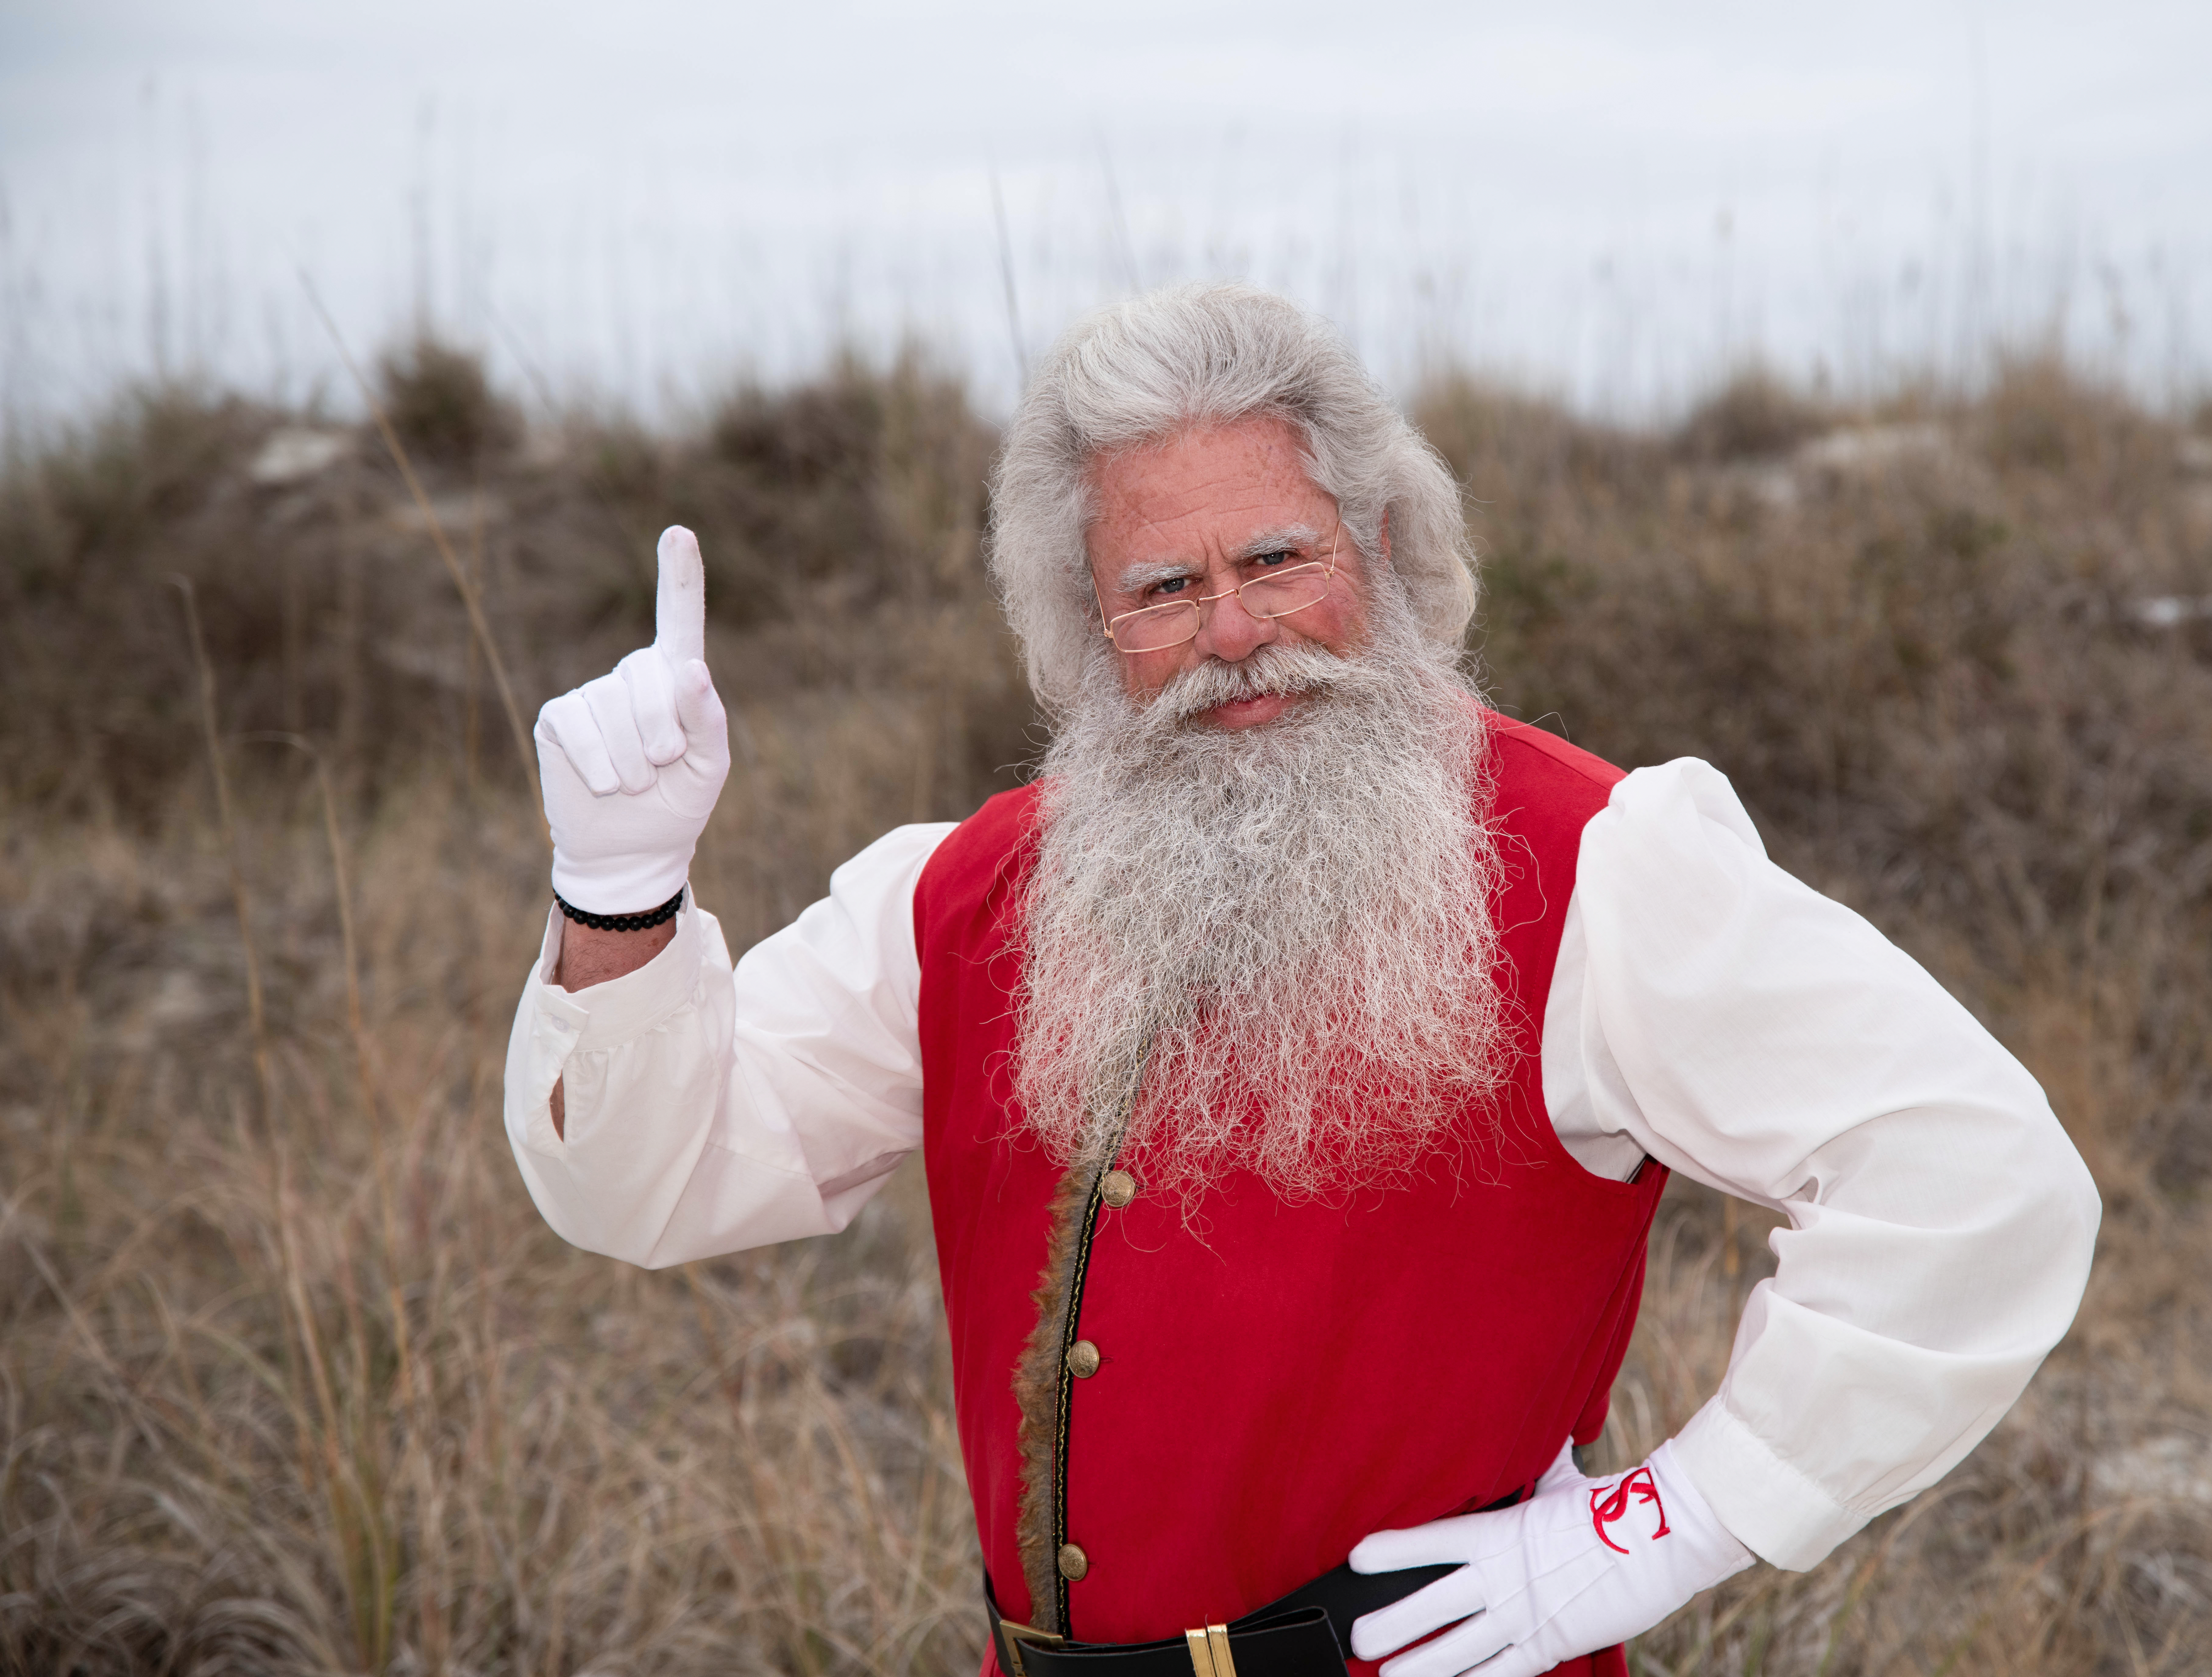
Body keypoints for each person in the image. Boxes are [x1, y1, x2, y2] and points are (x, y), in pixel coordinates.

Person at [504, 283, 2100, 1677]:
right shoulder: (956, 896)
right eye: (1161, 588)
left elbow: (1977, 1174)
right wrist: (619, 897)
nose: (1235, 632)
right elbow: (651, 1188)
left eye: (1278, 557)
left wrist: (1660, 1531)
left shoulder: (1599, 865)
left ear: (1381, 548)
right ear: (1089, 624)